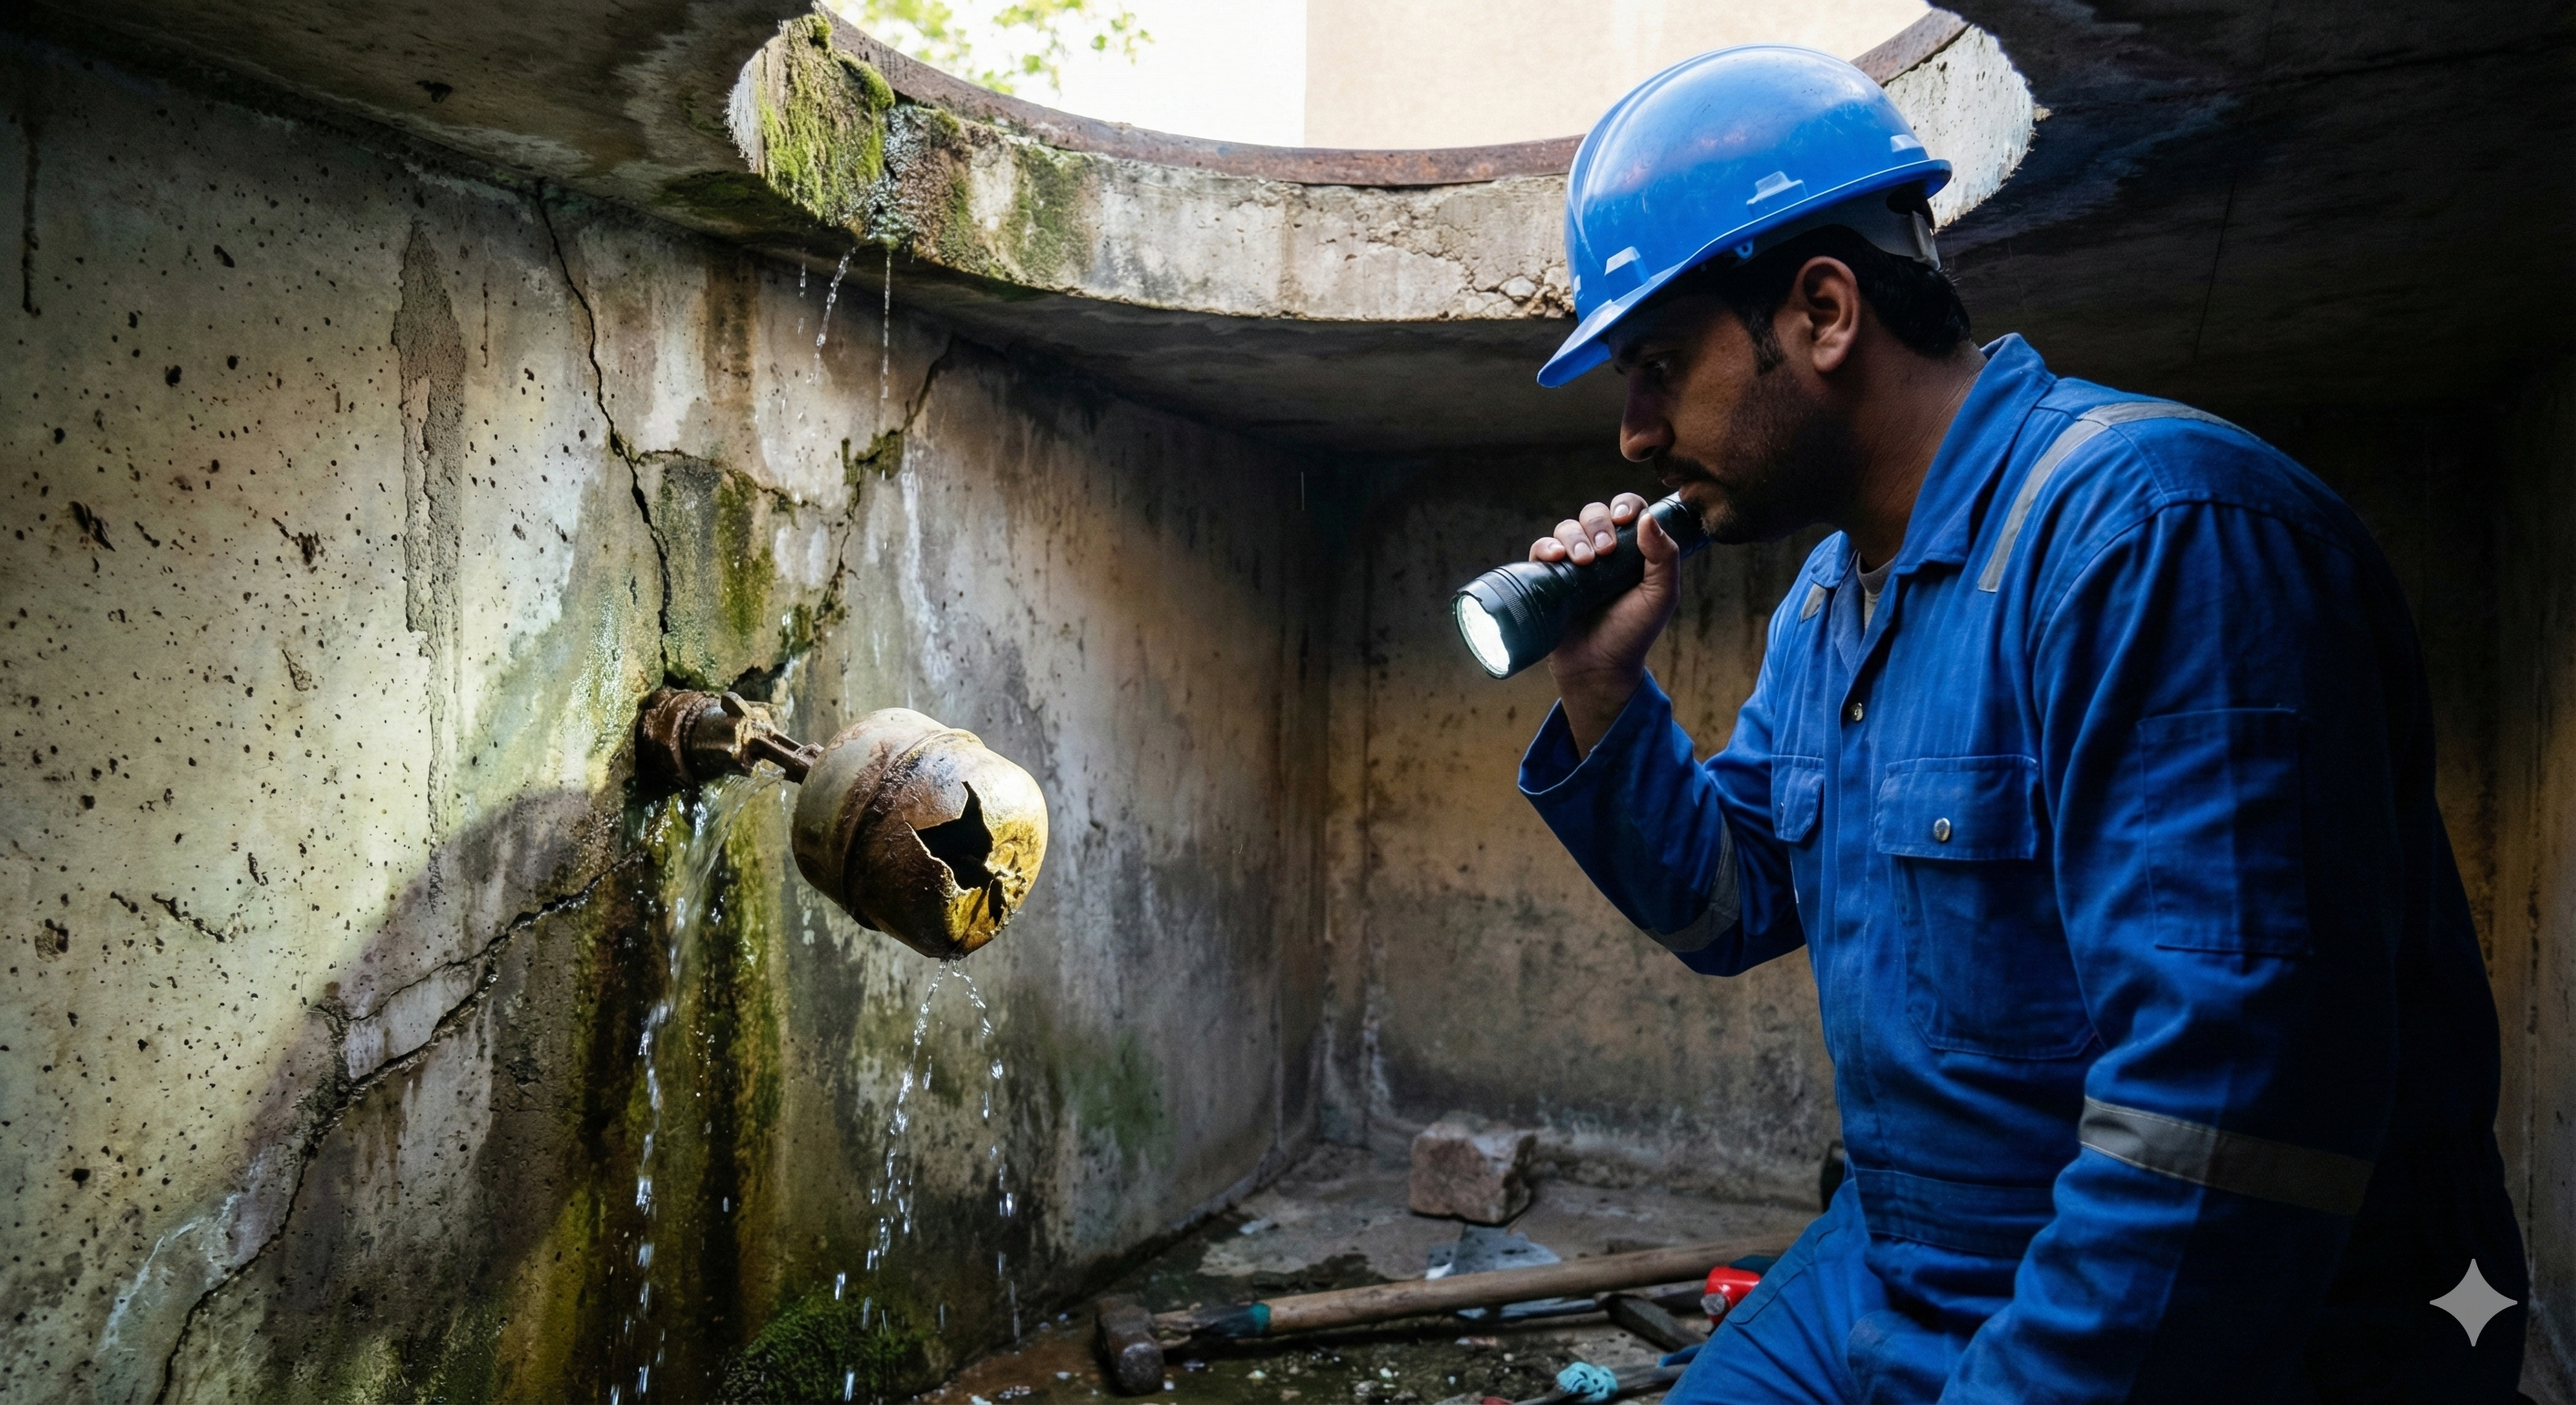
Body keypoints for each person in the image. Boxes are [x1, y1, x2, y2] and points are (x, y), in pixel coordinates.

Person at [1516, 44, 2528, 1403]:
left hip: (2214, 1315)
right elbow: (1731, 904)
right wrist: (1600, 687)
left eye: (1655, 366)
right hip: (1900, 1261)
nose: (1634, 435)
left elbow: (2213, 1141)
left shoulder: (2160, 535)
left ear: (1822, 312)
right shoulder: (1831, 598)